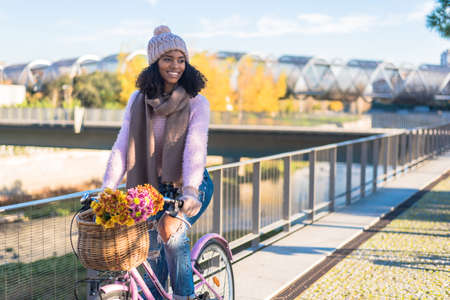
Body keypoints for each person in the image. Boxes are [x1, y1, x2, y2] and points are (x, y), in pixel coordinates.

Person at [101, 25, 213, 300]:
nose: (175, 66)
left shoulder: (197, 102)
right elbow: (122, 146)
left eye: (181, 59)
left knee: (171, 234)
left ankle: (184, 296)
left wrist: (190, 191)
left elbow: (194, 151)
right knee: (149, 255)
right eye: (167, 59)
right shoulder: (138, 101)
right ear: (155, 62)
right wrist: (107, 187)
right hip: (150, 189)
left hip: (190, 185)